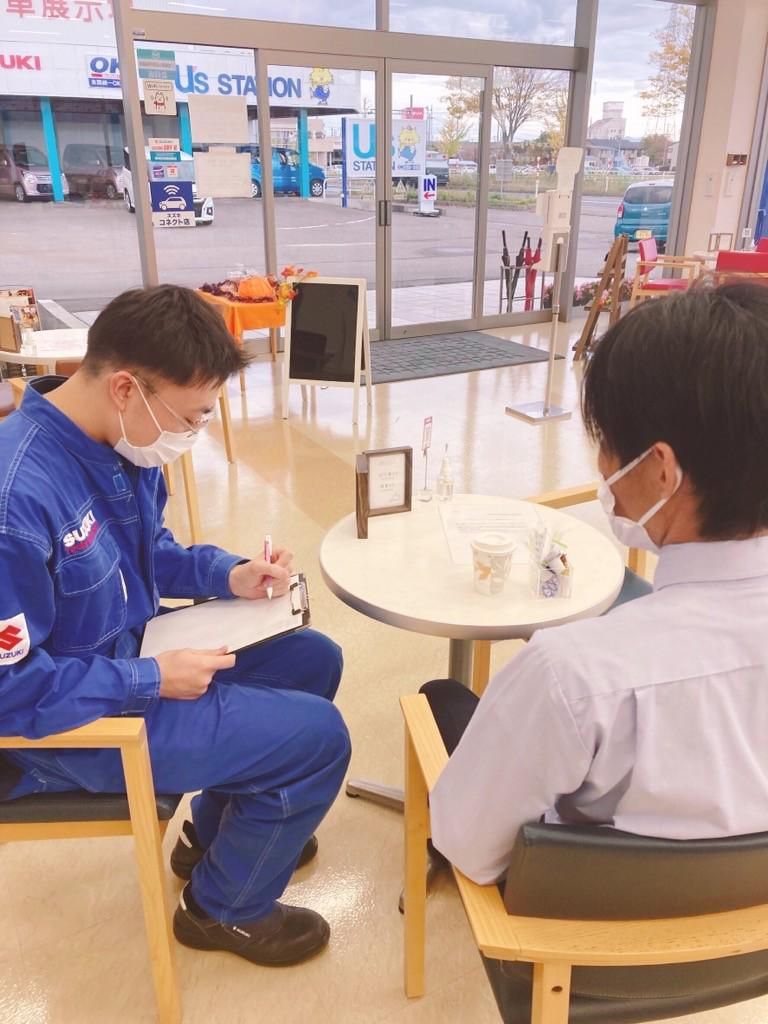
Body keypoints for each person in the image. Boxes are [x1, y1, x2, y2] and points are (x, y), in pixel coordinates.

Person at [0, 285, 351, 966]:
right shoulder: (16, 501)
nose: (193, 435)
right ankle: (223, 910)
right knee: (319, 739)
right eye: (190, 417)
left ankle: (217, 837)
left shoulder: (114, 441)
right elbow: (12, 692)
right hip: (67, 726)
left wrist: (229, 574)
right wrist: (150, 679)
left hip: (129, 653)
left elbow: (147, 552)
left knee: (313, 659)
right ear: (125, 388)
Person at [425, 282, 768, 884]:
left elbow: (468, 848)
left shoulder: (570, 673)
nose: (604, 466)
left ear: (661, 471)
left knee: (440, 698)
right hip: (745, 923)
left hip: (583, 924)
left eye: (607, 441)